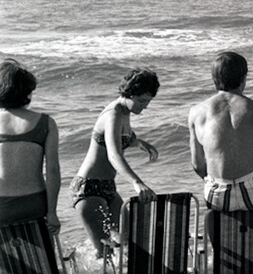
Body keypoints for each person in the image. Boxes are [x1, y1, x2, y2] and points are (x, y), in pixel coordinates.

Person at [71, 68, 160, 255]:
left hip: (108, 187)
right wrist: (137, 182)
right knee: (104, 252)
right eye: (142, 101)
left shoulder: (125, 111)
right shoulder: (113, 114)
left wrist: (137, 142)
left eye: (149, 102)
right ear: (129, 93)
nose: (145, 106)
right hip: (89, 188)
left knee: (129, 241)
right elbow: (113, 155)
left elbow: (116, 138)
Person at [188, 51, 253, 211]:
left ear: (214, 79)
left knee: (219, 227)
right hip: (252, 189)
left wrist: (215, 181)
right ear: (243, 78)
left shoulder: (196, 112)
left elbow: (198, 165)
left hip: (218, 192)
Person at [0, 59, 61, 233]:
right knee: (41, 256)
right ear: (27, 92)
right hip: (34, 203)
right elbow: (53, 170)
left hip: (1, 205)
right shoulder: (46, 122)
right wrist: (52, 213)